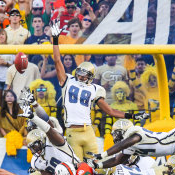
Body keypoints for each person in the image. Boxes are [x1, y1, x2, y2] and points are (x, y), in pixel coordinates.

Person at [50, 20, 147, 160]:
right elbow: (57, 61)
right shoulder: (67, 81)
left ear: (90, 77)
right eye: (79, 73)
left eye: (84, 75)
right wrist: (55, 40)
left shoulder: (95, 89)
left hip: (88, 131)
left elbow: (110, 111)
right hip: (72, 131)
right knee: (77, 167)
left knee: (94, 165)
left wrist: (132, 116)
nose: (81, 77)